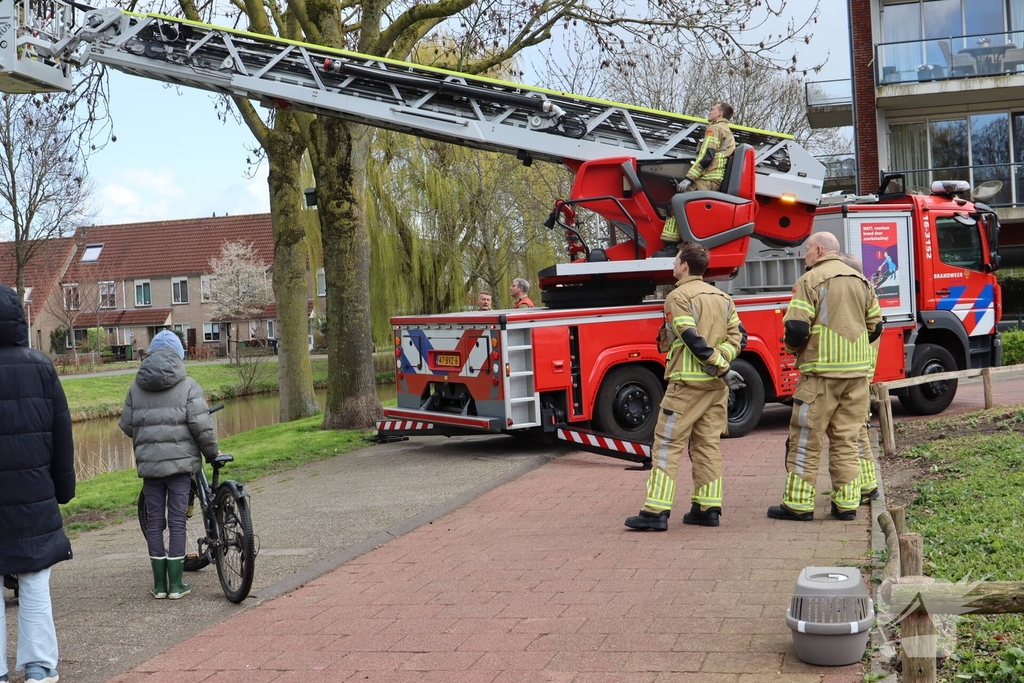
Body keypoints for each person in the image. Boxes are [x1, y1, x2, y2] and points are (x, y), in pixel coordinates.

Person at [624, 242, 746, 531]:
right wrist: (724, 364)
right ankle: (707, 509)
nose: (673, 266)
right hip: (716, 389)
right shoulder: (723, 297)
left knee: (667, 445)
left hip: (687, 386)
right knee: (707, 446)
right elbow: (740, 337)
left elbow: (690, 337)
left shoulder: (678, 297)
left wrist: (718, 364)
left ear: (685, 266)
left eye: (676, 261)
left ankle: (655, 512)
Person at [767, 233, 883, 522]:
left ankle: (798, 505)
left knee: (807, 438)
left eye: (806, 250)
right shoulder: (862, 281)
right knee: (846, 439)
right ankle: (846, 505)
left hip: (820, 376)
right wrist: (852, 350)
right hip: (856, 376)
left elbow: (795, 327)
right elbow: (877, 326)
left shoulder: (810, 280)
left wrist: (796, 350)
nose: (803, 255)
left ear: (819, 250)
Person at [0, 284, 75, 683]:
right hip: (32, 496)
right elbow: (61, 433)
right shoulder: (41, 366)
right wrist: (63, 489)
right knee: (33, 581)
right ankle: (39, 666)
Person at [120, 330, 220, 600]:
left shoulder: (135, 387)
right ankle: (176, 585)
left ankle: (159, 586)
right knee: (177, 522)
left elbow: (128, 426)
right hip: (180, 468)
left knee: (155, 523)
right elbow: (201, 426)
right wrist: (212, 452)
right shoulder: (188, 385)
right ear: (179, 354)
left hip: (151, 470)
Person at [654, 102, 737, 258]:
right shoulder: (727, 131)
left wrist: (688, 179)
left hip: (708, 179)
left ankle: (671, 247)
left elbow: (706, 157)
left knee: (674, 203)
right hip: (713, 179)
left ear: (719, 114)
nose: (710, 111)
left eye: (713, 109)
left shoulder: (714, 129)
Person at [838, 252, 880, 505]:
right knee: (858, 432)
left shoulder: (855, 297)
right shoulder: (866, 295)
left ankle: (863, 486)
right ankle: (867, 484)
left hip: (857, 377)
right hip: (862, 377)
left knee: (854, 434)